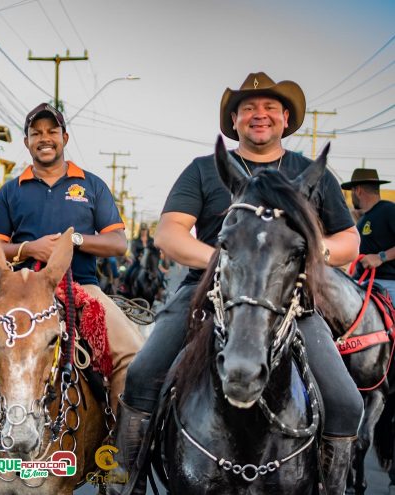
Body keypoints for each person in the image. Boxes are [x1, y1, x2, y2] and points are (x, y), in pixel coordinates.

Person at [110, 73, 363, 495]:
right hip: (203, 296)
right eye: (248, 108)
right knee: (142, 373)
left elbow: (349, 239)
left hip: (290, 304)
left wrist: (300, 256)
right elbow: (169, 233)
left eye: (268, 108)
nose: (258, 115)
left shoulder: (310, 173)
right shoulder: (203, 170)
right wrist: (233, 262)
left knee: (346, 402)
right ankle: (124, 482)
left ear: (286, 118)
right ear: (234, 119)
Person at [0, 102, 144, 441]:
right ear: (27, 143)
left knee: (132, 353)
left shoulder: (92, 185)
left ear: (64, 137)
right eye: (36, 133)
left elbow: (117, 243)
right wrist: (29, 249)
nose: (45, 138)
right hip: (14, 291)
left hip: (81, 287)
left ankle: (116, 449)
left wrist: (75, 239)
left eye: (52, 131)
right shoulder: (11, 190)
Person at [342, 167, 395, 295]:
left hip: (387, 283)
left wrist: (380, 257)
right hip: (360, 282)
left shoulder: (389, 210)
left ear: (358, 190)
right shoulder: (362, 220)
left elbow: (377, 258)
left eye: (352, 191)